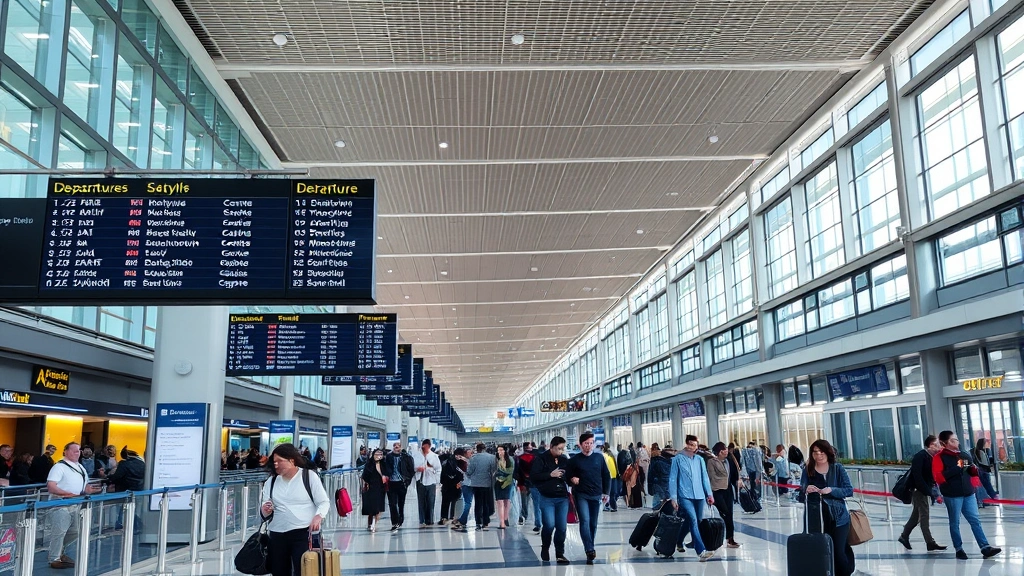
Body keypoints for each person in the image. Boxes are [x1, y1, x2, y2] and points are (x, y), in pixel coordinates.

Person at [259, 444, 330, 576]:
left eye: (279, 461)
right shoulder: (271, 481)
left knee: (303, 570)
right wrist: (265, 510)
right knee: (279, 571)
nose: (276, 465)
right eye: (274, 462)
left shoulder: (308, 477)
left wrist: (318, 516)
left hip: (303, 533)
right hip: (277, 533)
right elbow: (264, 509)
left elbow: (323, 501)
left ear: (292, 460)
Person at [932, 431, 1001, 560]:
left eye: (956, 439)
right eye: (953, 440)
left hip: (968, 493)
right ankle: (959, 548)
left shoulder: (963, 454)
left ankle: (985, 547)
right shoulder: (939, 457)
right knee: (955, 522)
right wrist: (958, 467)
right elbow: (939, 477)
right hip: (952, 494)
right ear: (944, 443)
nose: (956, 442)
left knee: (975, 520)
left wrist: (973, 470)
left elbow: (970, 469)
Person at [797, 440, 855, 576]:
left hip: (839, 517)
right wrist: (806, 489)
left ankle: (845, 571)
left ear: (828, 452)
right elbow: (800, 495)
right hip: (816, 517)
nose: (819, 455)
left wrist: (831, 490)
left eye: (821, 452)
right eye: (815, 452)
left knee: (838, 552)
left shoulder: (837, 468)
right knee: (819, 550)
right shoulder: (808, 470)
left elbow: (848, 490)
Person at [45, 443, 101, 569]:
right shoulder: (59, 467)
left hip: (75, 503)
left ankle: (59, 551)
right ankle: (54, 558)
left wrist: (88, 490)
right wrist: (67, 494)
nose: (78, 453)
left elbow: (84, 485)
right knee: (59, 531)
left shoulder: (80, 467)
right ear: (65, 452)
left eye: (78, 451)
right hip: (61, 503)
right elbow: (51, 486)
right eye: (74, 450)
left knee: (75, 531)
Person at [667, 435, 715, 561]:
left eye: (696, 445)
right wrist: (674, 497)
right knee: (693, 520)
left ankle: (679, 540)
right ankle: (701, 551)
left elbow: (704, 477)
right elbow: (673, 479)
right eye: (692, 445)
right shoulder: (678, 459)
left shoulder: (699, 459)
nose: (694, 447)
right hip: (685, 495)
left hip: (699, 495)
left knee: (696, 520)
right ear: (687, 444)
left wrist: (709, 494)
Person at [566, 432, 610, 565]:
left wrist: (606, 493)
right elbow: (567, 477)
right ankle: (589, 549)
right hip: (581, 494)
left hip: (596, 494)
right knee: (584, 520)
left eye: (591, 443)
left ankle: (590, 543)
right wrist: (572, 480)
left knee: (593, 523)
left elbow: (606, 475)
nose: (589, 446)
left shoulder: (599, 458)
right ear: (580, 445)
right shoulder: (574, 460)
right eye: (586, 443)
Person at [897, 435, 946, 551]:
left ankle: (904, 536)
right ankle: (930, 542)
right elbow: (917, 476)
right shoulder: (920, 456)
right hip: (918, 490)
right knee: (924, 515)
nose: (940, 447)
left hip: (925, 489)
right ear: (931, 445)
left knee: (916, 516)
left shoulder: (932, 457)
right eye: (938, 444)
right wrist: (928, 491)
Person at [532, 436, 571, 564]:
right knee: (549, 525)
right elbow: (534, 477)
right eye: (558, 449)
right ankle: (545, 547)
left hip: (562, 497)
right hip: (547, 497)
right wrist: (550, 475)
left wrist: (567, 477)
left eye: (562, 449)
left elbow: (569, 475)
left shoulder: (564, 459)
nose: (561, 451)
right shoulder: (541, 459)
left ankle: (560, 553)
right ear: (551, 446)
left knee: (562, 527)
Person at [707, 442, 741, 548]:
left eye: (725, 449)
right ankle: (719, 537)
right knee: (725, 513)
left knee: (729, 514)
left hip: (728, 490)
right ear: (718, 452)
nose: (725, 451)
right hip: (717, 490)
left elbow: (734, 475)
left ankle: (730, 538)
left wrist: (738, 481)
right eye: (723, 450)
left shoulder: (729, 461)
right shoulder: (711, 462)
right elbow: (712, 477)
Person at [463, 442, 497, 531]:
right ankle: (485, 522)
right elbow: (494, 470)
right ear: (485, 448)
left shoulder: (473, 458)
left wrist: (471, 476)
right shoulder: (492, 457)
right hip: (487, 483)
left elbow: (469, 471)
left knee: (478, 503)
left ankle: (478, 522)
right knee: (486, 503)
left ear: (477, 449)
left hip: (476, 484)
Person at [383, 442, 414, 531]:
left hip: (402, 483)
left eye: (398, 446)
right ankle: (394, 522)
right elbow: (385, 468)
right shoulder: (389, 457)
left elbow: (411, 469)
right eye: (395, 446)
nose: (397, 448)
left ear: (401, 447)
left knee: (401, 503)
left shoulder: (405, 457)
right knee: (392, 503)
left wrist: (407, 480)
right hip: (391, 483)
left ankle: (400, 519)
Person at [412, 439, 441, 527]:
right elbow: (412, 467)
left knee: (431, 501)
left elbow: (438, 469)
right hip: (420, 480)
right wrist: (417, 469)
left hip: (431, 481)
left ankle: (430, 519)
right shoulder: (416, 456)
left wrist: (436, 479)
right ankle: (422, 520)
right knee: (421, 501)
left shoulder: (434, 456)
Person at [360, 448, 387, 532]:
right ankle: (370, 523)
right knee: (371, 508)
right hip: (371, 487)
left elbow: (387, 473)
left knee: (378, 508)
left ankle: (374, 524)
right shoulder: (369, 464)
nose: (378, 456)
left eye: (380, 454)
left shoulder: (383, 464)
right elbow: (364, 475)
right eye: (377, 454)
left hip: (381, 488)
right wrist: (367, 483)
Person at [439, 446, 466, 525]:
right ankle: (451, 517)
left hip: (447, 484)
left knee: (446, 501)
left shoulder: (448, 461)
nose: (459, 457)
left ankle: (445, 517)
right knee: (453, 501)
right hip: (453, 484)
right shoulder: (453, 462)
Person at [971, 438, 999, 508]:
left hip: (982, 470)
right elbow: (985, 462)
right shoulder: (981, 451)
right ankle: (989, 498)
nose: (988, 444)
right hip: (982, 470)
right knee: (986, 484)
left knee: (985, 485)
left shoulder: (979, 451)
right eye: (986, 442)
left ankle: (988, 498)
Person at [514, 442, 536, 527]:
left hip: (522, 483)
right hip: (533, 483)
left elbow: (516, 472)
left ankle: (524, 515)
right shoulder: (535, 458)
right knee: (533, 501)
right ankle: (534, 518)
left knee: (523, 500)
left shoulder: (518, 458)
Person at [494, 445, 515, 528]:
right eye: (498, 450)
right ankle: (502, 522)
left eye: (501, 450)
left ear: (505, 451)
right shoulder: (496, 460)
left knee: (507, 501)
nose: (499, 452)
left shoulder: (510, 459)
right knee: (500, 502)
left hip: (508, 482)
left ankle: (506, 519)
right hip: (498, 482)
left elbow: (511, 471)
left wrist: (500, 471)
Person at [648, 444, 674, 510]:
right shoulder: (673, 462)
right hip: (668, 486)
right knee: (667, 502)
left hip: (657, 485)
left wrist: (650, 486)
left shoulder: (656, 462)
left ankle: (656, 515)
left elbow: (651, 475)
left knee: (656, 503)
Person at [601, 444, 619, 512]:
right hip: (613, 475)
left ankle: (610, 506)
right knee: (612, 492)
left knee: (607, 492)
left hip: (608, 476)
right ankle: (609, 505)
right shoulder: (611, 454)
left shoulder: (604, 455)